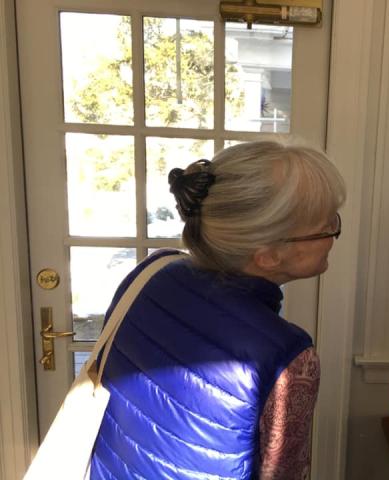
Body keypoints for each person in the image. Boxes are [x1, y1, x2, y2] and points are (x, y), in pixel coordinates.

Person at [88, 141, 346, 479]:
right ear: (267, 255)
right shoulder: (288, 356)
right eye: (327, 226)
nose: (333, 236)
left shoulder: (152, 272)